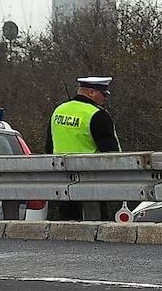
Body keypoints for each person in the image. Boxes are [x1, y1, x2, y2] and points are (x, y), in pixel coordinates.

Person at [45, 76, 121, 220]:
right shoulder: (97, 114)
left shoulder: (59, 110)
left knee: (65, 227)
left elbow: (49, 146)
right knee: (96, 226)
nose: (105, 98)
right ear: (91, 92)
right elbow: (111, 154)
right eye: (103, 94)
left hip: (61, 182)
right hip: (91, 181)